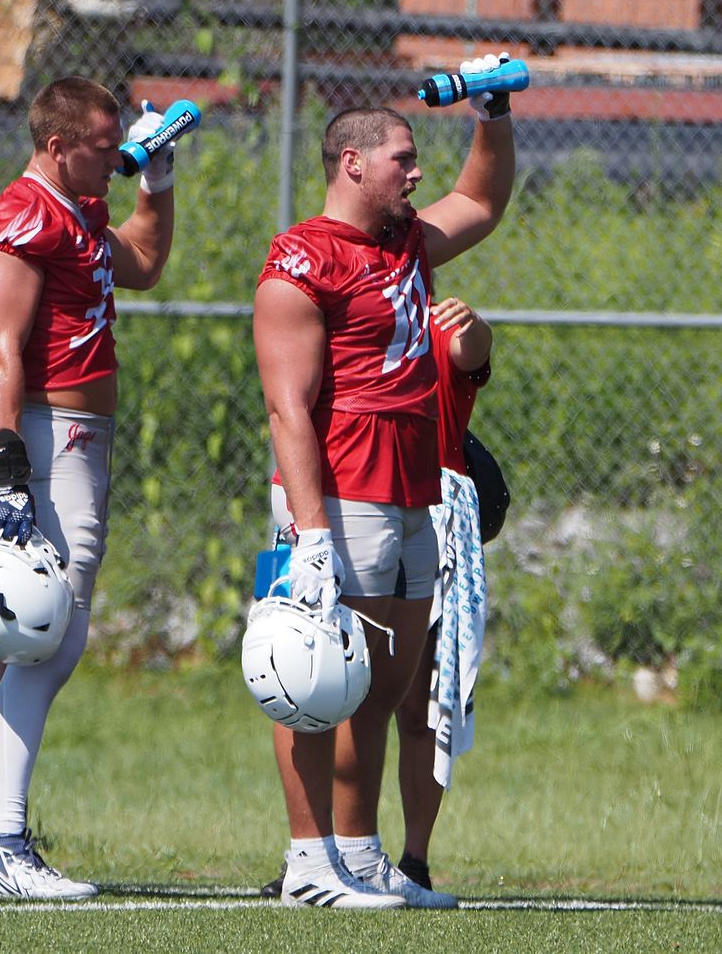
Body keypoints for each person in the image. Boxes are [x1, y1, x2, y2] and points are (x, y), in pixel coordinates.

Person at [252, 53, 518, 909]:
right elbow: (289, 409)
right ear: (353, 163)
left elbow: (481, 199)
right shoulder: (301, 258)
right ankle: (306, 863)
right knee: (312, 676)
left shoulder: (404, 241)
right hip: (338, 490)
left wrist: (494, 112)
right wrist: (311, 530)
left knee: (384, 678)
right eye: (403, 158)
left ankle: (359, 854)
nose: (417, 171)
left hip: (411, 487)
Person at [0, 76, 177, 899]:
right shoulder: (23, 216)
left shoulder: (80, 210)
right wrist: (8, 461)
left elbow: (146, 263)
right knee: (52, 634)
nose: (114, 159)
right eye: (102, 145)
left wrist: (158, 179)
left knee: (43, 637)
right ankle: (0, 841)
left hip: (83, 442)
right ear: (58, 146)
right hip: (47, 439)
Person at [394, 295, 493, 891]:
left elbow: (472, 354)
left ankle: (414, 860)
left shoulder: (431, 319)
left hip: (431, 520)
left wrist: (475, 325)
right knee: (334, 691)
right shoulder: (333, 313)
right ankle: (320, 850)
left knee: (418, 705)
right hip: (352, 511)